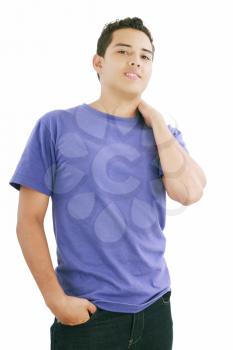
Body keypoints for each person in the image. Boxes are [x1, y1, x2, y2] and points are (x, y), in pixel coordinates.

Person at [9, 17, 206, 350]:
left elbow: (189, 192)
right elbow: (28, 221)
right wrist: (55, 300)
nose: (135, 61)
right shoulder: (55, 127)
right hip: (89, 315)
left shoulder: (163, 135)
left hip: (155, 309)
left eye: (145, 56)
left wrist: (157, 122)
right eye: (124, 51)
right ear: (98, 62)